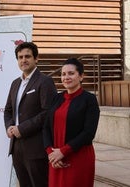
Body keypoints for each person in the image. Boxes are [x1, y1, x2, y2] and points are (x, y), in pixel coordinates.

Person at [4, 42, 57, 187]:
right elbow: (8, 110)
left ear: (36, 59)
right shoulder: (15, 83)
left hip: (36, 148)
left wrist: (22, 128)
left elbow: (48, 113)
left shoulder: (45, 82)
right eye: (20, 57)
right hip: (16, 148)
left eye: (27, 56)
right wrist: (9, 126)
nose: (23, 60)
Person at [43, 58, 100, 187]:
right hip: (55, 158)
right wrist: (50, 153)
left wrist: (63, 151)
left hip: (78, 157)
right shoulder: (56, 98)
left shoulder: (89, 100)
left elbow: (89, 133)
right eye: (63, 74)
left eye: (71, 73)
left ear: (81, 76)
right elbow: (46, 127)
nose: (66, 77)